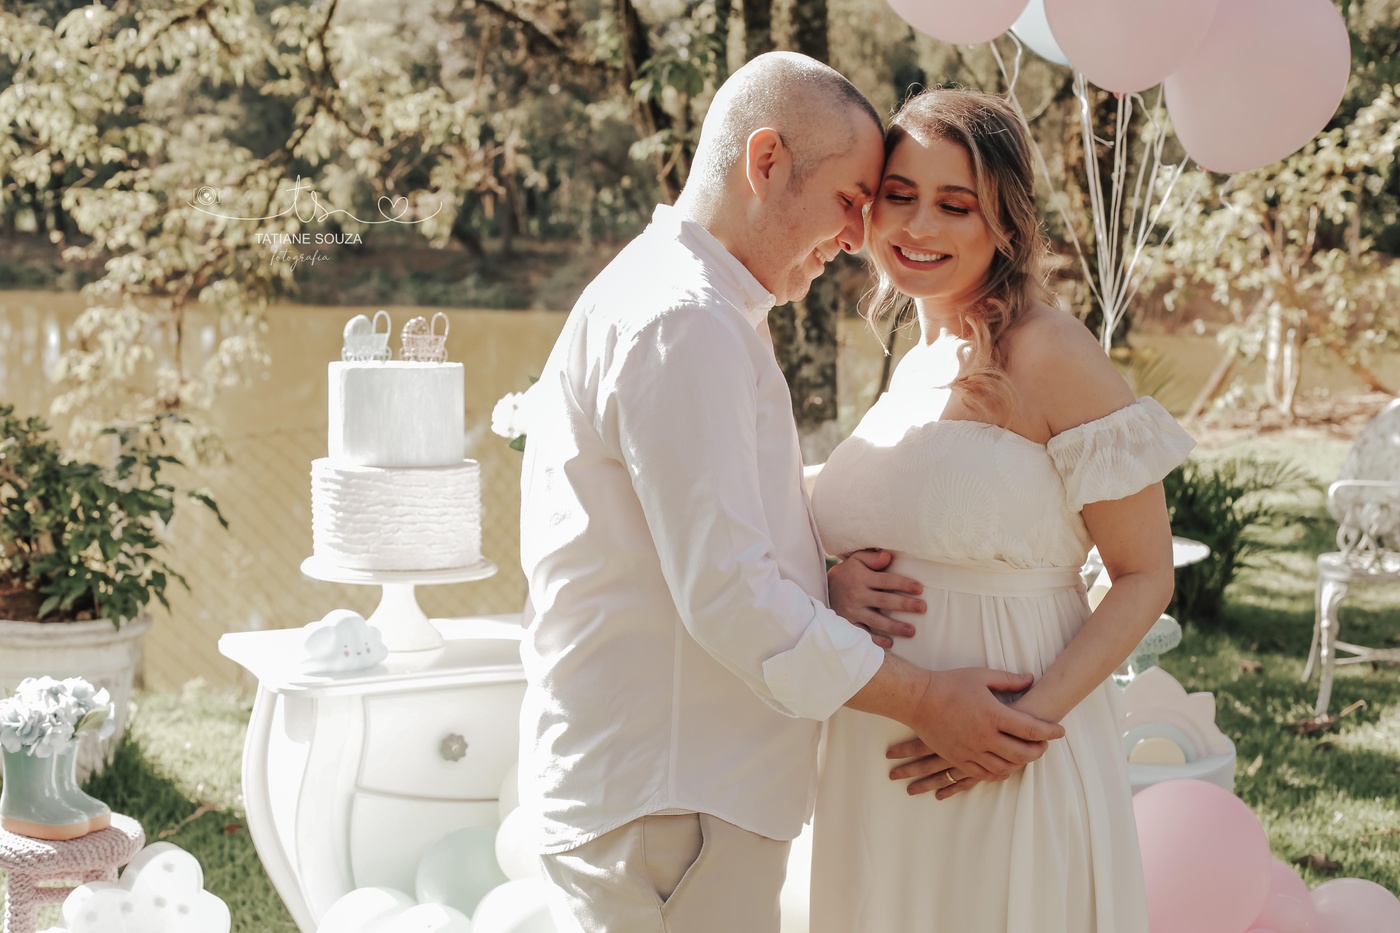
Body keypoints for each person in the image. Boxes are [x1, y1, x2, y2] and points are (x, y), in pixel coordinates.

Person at [517, 54, 1066, 933]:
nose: (857, 235)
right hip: (672, 803)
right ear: (766, 161)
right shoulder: (685, 321)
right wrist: (929, 701)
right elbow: (729, 594)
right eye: (852, 198)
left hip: (672, 795)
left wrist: (819, 579)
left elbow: (704, 530)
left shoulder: (689, 303)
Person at [808, 87, 1197, 933]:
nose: (920, 226)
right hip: (882, 745)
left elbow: (1144, 574)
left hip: (1005, 750)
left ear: (1005, 224)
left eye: (957, 205)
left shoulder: (1048, 349)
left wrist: (1016, 727)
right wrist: (830, 582)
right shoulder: (916, 362)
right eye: (901, 195)